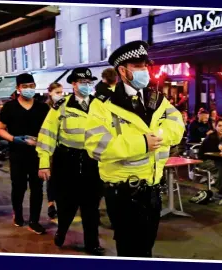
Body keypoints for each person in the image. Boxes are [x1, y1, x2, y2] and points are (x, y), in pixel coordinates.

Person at [83, 40, 184, 257]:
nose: (144, 70)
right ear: (123, 70)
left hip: (153, 189)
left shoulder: (157, 99)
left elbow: (177, 124)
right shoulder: (103, 103)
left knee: (147, 247)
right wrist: (142, 143)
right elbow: (95, 146)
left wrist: (161, 135)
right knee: (130, 250)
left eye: (145, 65)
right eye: (138, 66)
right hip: (123, 193)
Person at [36, 68, 104, 255]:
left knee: (91, 205)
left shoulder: (100, 105)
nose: (87, 86)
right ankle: (62, 230)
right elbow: (48, 134)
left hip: (92, 161)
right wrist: (43, 162)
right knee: (67, 204)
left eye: (89, 83)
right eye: (83, 82)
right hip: (67, 161)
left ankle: (92, 244)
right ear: (73, 84)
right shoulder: (62, 106)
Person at [0, 73, 50, 234]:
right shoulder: (9, 107)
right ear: (18, 88)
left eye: (31, 86)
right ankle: (18, 215)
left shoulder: (42, 107)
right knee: (18, 187)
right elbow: (0, 129)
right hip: (17, 154)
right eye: (25, 86)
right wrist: (14, 139)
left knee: (38, 188)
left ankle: (34, 220)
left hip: (37, 154)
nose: (29, 89)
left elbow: (49, 131)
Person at [44, 83, 64, 219]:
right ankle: (51, 203)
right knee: (51, 179)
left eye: (62, 92)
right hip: (51, 147)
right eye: (58, 92)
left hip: (62, 147)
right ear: (50, 92)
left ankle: (61, 202)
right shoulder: (46, 108)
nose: (60, 95)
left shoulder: (64, 107)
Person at [198, 118, 222, 187]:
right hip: (205, 161)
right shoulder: (210, 138)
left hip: (217, 159)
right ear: (215, 127)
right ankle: (220, 187)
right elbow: (210, 153)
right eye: (219, 126)